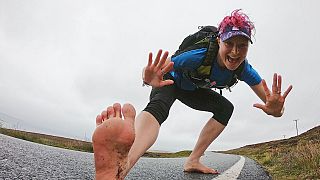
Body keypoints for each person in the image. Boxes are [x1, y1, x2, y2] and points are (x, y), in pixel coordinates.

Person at [92, 9, 293, 179]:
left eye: (242, 45)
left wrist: (277, 110)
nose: (235, 52)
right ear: (219, 41)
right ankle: (122, 166)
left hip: (192, 90)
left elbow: (274, 107)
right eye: (229, 44)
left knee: (225, 108)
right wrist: (148, 79)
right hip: (169, 81)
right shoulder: (197, 56)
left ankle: (193, 159)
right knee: (159, 107)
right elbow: (158, 71)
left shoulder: (244, 70)